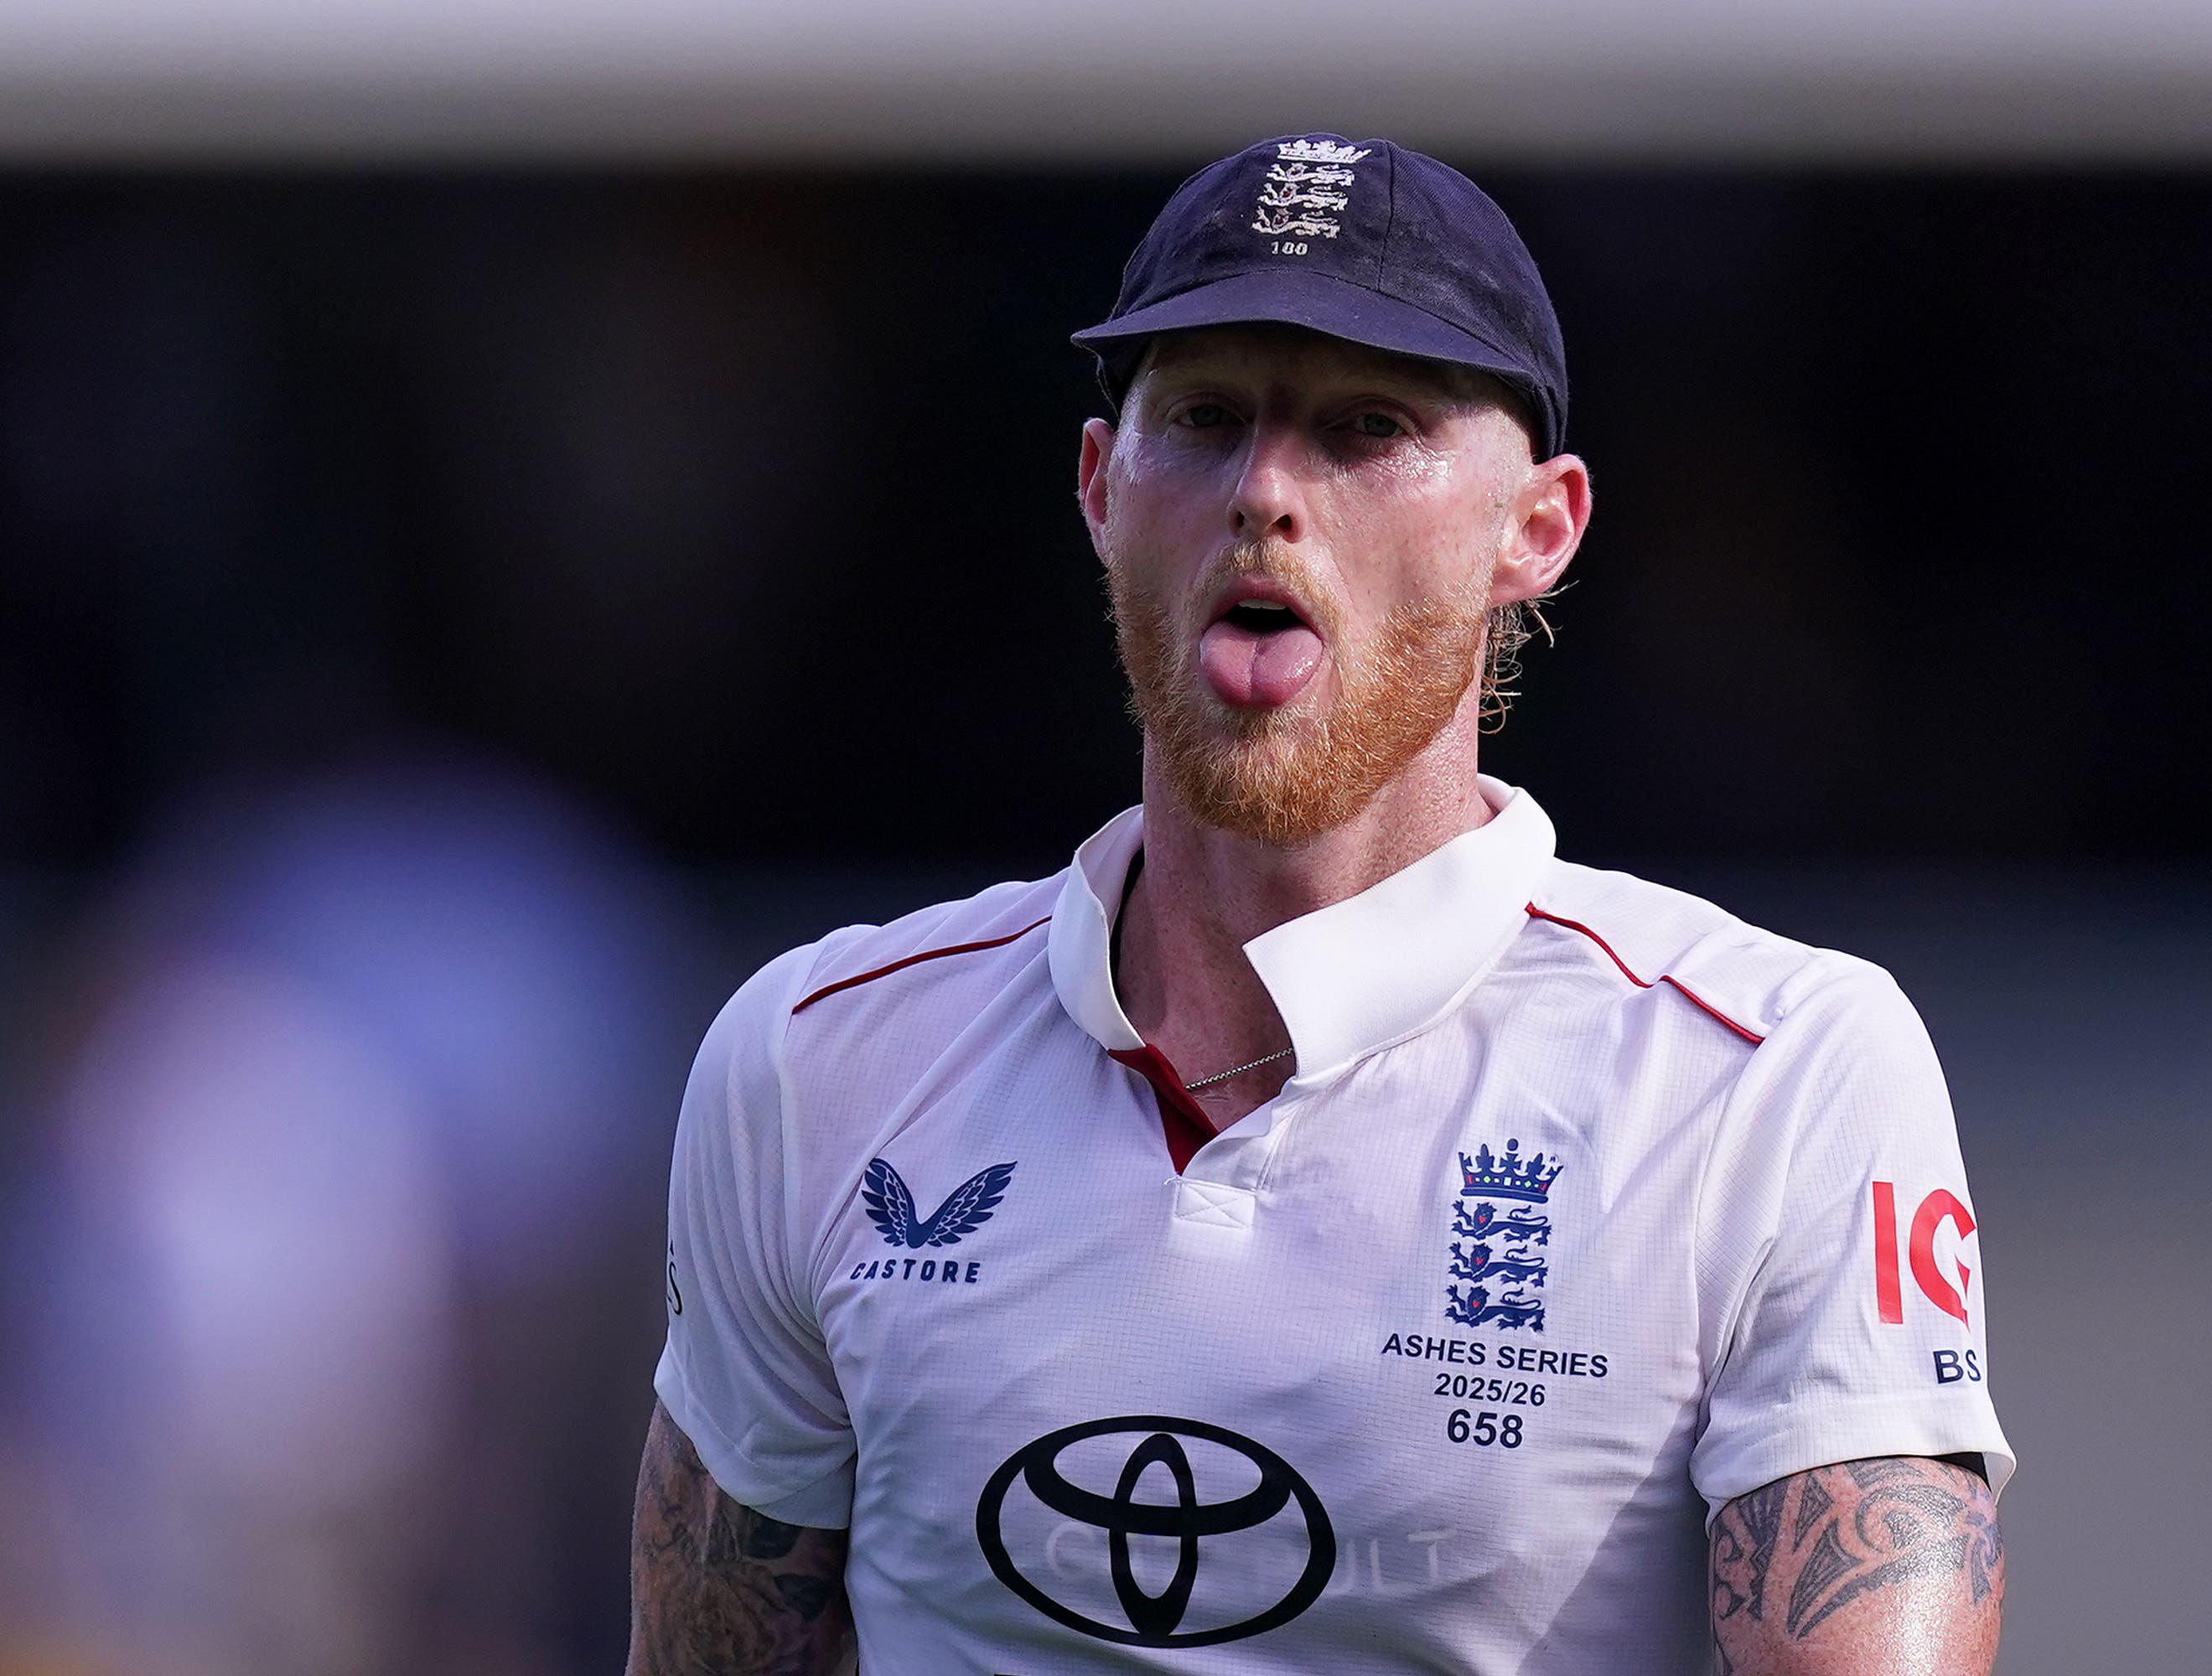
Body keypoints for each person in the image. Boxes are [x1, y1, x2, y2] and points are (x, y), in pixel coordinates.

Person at [626, 133, 2012, 1676]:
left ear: (1535, 528)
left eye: (1367, 428)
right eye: (1207, 419)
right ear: (1099, 488)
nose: (1268, 493)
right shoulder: (820, 1062)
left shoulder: (1773, 1071)